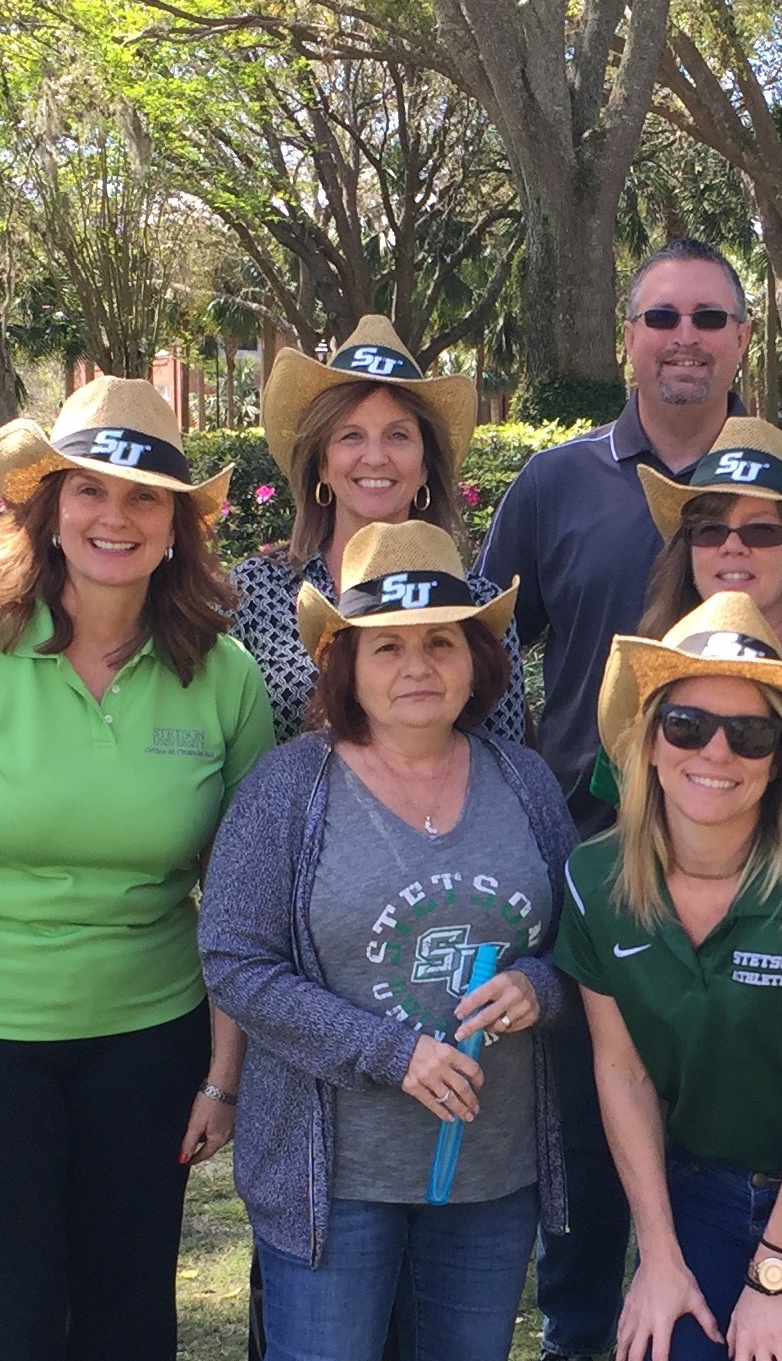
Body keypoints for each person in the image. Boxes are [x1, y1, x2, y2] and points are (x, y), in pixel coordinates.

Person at [473, 236, 782, 1361]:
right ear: (628, 331)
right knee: (602, 1159)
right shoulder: (559, 489)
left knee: (753, 1177)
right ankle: (594, 1323)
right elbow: (477, 669)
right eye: (662, 317)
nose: (684, 339)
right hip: (622, 891)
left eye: (710, 318)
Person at [0, 377, 278, 1359]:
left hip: (150, 1041)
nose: (114, 516)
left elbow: (241, 899)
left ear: (177, 525)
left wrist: (223, 1075)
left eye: (143, 496)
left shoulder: (224, 677)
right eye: (88, 489)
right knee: (1, 1322)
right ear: (48, 510)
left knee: (129, 1318)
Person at [201, 519, 579, 1361]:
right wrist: (387, 1050)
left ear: (476, 658)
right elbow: (232, 957)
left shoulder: (525, 780)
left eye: (441, 641)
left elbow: (579, 942)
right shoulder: (291, 786)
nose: (417, 667)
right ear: (345, 664)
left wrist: (539, 988)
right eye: (387, 647)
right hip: (334, 1179)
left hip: (490, 1169)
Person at [555, 592, 782, 1361]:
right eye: (686, 724)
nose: (715, 753)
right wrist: (656, 1255)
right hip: (699, 1181)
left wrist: (774, 1278)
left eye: (748, 734)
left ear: (779, 757)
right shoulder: (593, 879)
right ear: (647, 741)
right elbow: (621, 1073)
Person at [586, 415, 782, 838]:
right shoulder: (642, 673)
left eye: (761, 531)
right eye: (709, 530)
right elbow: (629, 834)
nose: (732, 546)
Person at [234, 315, 525, 744]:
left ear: (425, 466)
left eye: (398, 435)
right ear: (322, 465)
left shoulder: (475, 608)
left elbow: (506, 767)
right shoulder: (256, 592)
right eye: (351, 435)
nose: (375, 457)